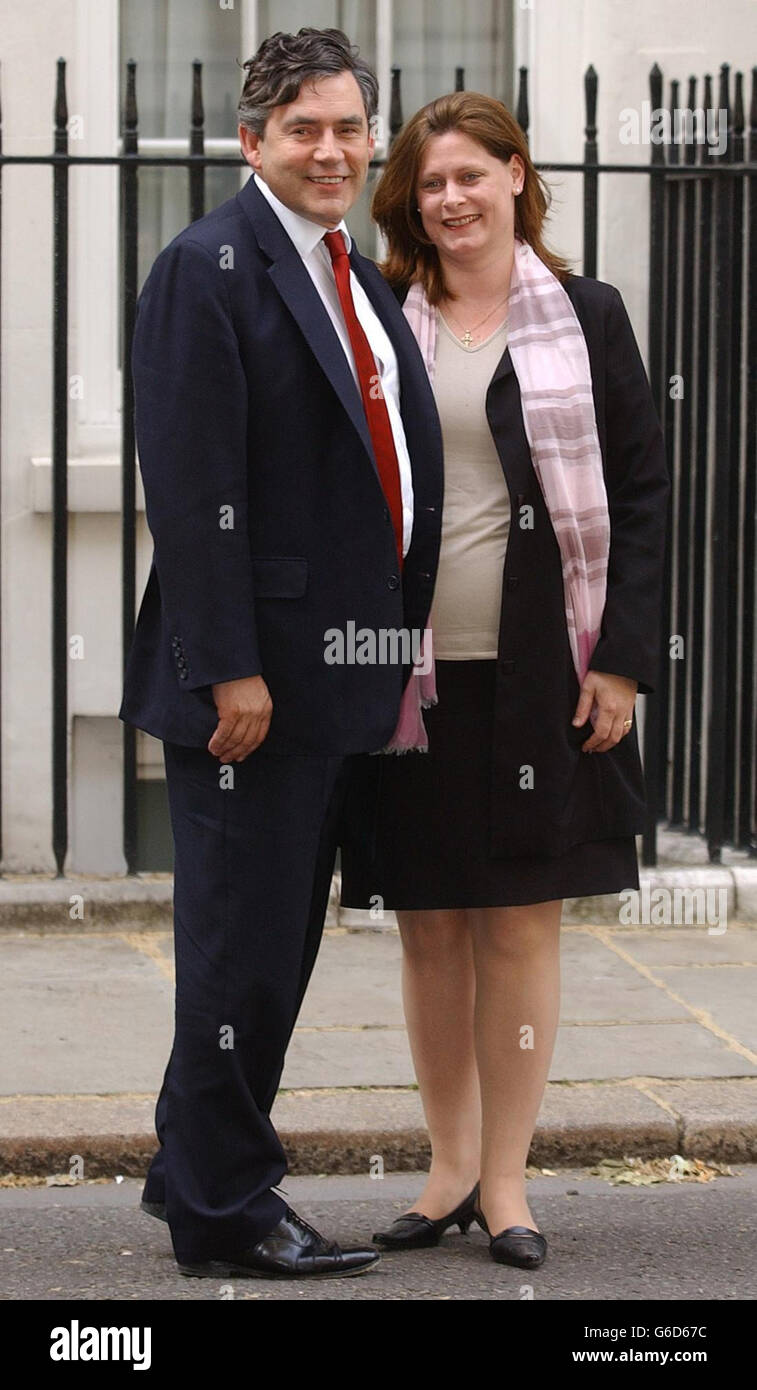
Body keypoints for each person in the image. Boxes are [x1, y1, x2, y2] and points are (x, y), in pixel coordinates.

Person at [118, 27, 443, 1280]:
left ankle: (188, 1169)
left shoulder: (347, 270)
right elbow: (192, 482)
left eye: (348, 127)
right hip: (254, 693)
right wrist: (227, 667)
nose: (329, 148)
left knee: (267, 951)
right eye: (301, 128)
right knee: (242, 957)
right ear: (251, 141)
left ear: (371, 140)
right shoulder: (209, 266)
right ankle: (227, 1212)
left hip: (333, 680)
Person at [339, 91, 671, 1270]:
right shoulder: (379, 316)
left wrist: (625, 659)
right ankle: (446, 1170)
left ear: (517, 177)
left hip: (549, 670)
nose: (451, 199)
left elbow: (637, 495)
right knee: (428, 925)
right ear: (409, 200)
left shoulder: (586, 317)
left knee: (522, 925)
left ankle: (509, 1182)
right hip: (409, 677)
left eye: (472, 175)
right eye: (430, 183)